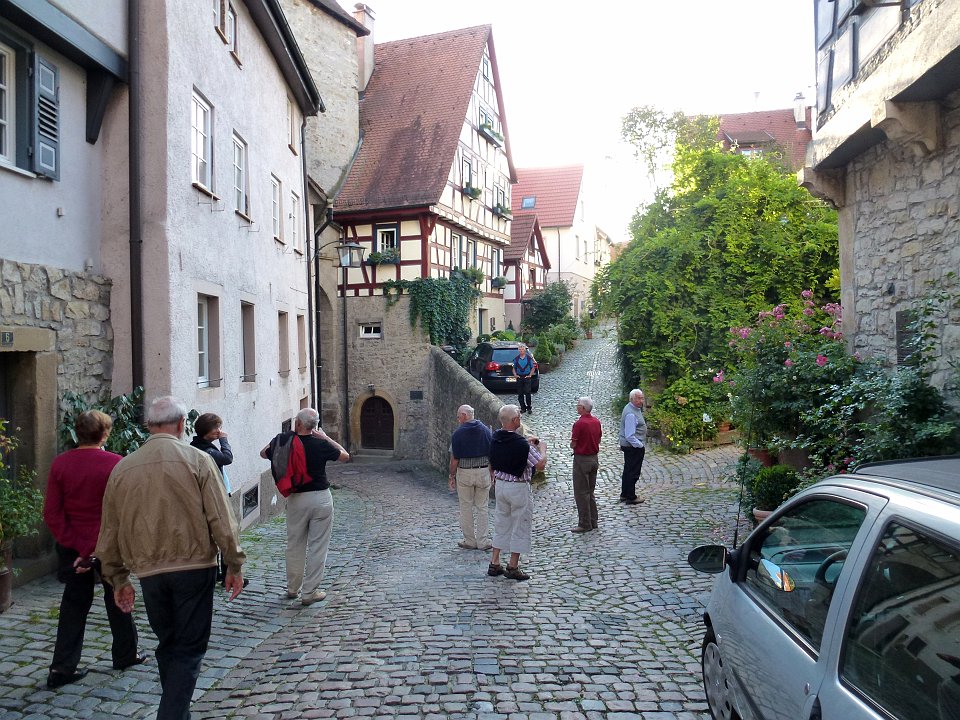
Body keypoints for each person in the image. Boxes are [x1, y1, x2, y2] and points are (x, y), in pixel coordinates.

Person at [95, 396, 245, 720]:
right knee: (189, 648)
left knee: (168, 643)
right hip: (194, 568)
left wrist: (118, 578)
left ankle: (178, 713)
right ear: (181, 425)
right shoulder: (198, 461)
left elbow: (109, 531)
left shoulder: (122, 468)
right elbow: (222, 518)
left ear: (148, 426)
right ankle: (172, 715)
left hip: (150, 573)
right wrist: (234, 564)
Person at [43, 410, 144, 690]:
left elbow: (52, 512)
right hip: (107, 545)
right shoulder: (115, 464)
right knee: (118, 596)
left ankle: (61, 668)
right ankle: (125, 654)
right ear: (105, 434)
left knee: (74, 605)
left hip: (72, 546)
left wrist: (77, 546)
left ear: (78, 433)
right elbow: (124, 511)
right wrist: (94, 548)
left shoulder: (61, 464)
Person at [260, 408, 349, 605]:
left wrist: (284, 437)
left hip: (297, 499)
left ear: (298, 424)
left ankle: (293, 589)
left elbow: (263, 454)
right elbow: (345, 456)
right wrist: (326, 438)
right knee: (318, 546)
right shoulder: (320, 444)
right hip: (321, 498)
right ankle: (309, 593)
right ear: (314, 426)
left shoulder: (285, 441)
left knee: (294, 545)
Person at [487, 404, 546, 581]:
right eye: (519, 415)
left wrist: (526, 443)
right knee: (520, 524)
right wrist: (542, 448)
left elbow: (502, 451)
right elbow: (540, 465)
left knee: (501, 522)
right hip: (518, 487)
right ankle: (513, 566)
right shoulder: (522, 446)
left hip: (501, 486)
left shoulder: (495, 438)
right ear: (515, 420)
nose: (520, 417)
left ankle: (495, 562)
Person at [190, 413, 236, 584]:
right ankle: (225, 574)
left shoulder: (202, 445)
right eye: (215, 428)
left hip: (216, 492)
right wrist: (224, 441)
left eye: (219, 427)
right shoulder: (204, 449)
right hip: (214, 496)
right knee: (224, 533)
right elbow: (227, 458)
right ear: (205, 431)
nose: (219, 431)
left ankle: (218, 572)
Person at [448, 404, 493, 550]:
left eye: (458, 416)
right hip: (483, 471)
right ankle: (483, 541)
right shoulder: (486, 431)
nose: (458, 419)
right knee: (482, 507)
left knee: (466, 506)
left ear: (464, 415)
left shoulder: (458, 434)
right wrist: (492, 471)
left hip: (465, 473)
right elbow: (492, 453)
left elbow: (454, 459)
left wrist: (451, 475)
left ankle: (470, 540)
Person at [570, 396, 602, 533]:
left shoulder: (579, 424)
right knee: (590, 491)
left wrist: (573, 445)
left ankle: (584, 523)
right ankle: (593, 520)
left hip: (582, 460)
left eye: (578, 405)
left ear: (583, 408)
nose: (577, 407)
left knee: (581, 492)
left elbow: (574, 443)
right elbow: (599, 438)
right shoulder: (596, 422)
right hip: (594, 458)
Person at [619, 388, 647, 505]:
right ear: (632, 399)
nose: (641, 401)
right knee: (633, 472)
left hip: (630, 446)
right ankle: (631, 496)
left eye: (642, 398)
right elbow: (629, 435)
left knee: (628, 470)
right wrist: (640, 446)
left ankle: (624, 494)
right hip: (633, 447)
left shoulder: (632, 408)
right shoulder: (631, 413)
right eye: (639, 398)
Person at [511, 343, 536, 414]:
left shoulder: (528, 358)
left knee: (528, 393)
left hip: (527, 377)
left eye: (522, 349)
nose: (521, 350)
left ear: (525, 350)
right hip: (519, 377)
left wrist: (530, 375)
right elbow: (513, 368)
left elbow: (533, 367)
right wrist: (515, 375)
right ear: (518, 350)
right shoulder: (516, 359)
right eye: (520, 349)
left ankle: (529, 407)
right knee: (520, 393)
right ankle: (523, 408)